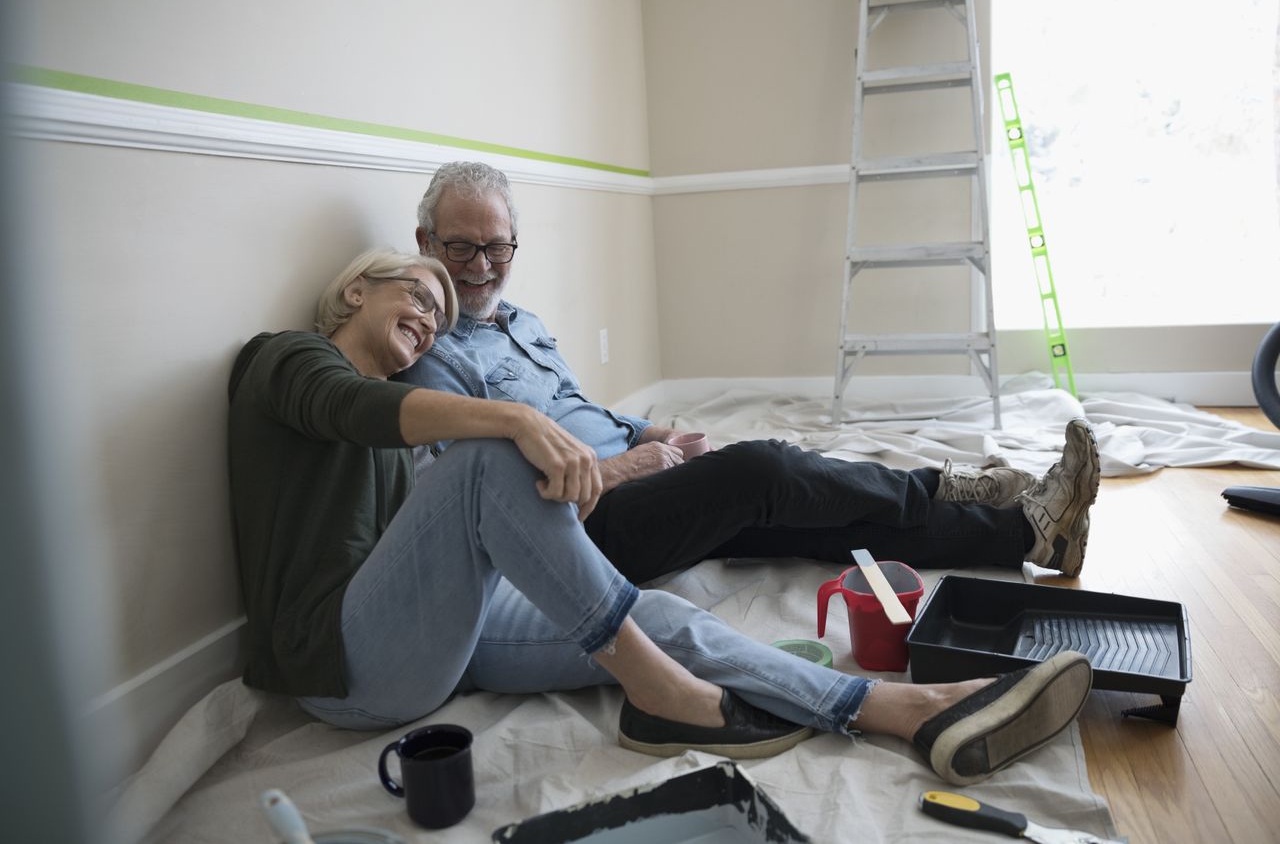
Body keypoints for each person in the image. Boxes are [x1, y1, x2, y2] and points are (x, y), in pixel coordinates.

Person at [227, 247, 1094, 785]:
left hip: (430, 642)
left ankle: (896, 708)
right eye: (415, 290)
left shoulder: (440, 380)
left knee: (666, 611)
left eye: (441, 311)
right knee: (490, 455)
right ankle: (658, 689)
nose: (431, 314)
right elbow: (347, 409)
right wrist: (520, 423)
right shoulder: (282, 362)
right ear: (353, 292)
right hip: (339, 665)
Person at [393, 161, 1101, 585]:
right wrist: (628, 468)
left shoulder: (523, 324)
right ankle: (941, 484)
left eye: (497, 246)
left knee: (812, 520)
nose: (482, 266)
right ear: (425, 241)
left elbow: (578, 409)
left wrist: (649, 429)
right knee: (765, 468)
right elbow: (489, 503)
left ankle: (1029, 534)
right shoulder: (433, 365)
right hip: (589, 524)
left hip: (648, 475)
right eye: (461, 248)